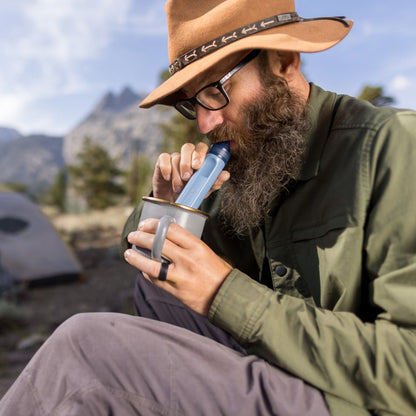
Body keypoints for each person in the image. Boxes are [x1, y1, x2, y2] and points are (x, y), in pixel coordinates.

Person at [1, 0, 416, 415]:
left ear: (285, 62)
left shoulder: (394, 147)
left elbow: (407, 371)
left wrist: (225, 293)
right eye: (191, 103)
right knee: (159, 287)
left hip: (353, 400)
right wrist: (166, 207)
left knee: (88, 352)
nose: (203, 123)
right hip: (289, 366)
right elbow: (147, 255)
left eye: (216, 91)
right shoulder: (257, 159)